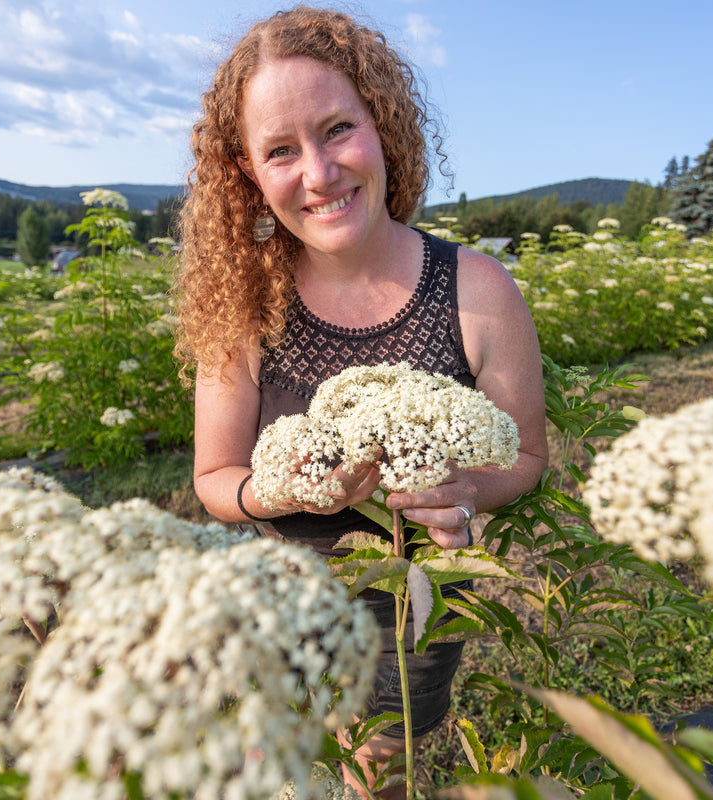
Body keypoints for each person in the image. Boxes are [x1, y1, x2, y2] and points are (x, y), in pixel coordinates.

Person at [174, 6, 547, 798]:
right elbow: (215, 478)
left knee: (381, 769)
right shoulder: (243, 306)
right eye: (280, 151)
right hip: (287, 607)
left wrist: (465, 489)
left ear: (381, 127)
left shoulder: (477, 290)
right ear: (246, 172)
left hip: (409, 615)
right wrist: (278, 489)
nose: (318, 172)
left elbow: (529, 456)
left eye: (337, 129)